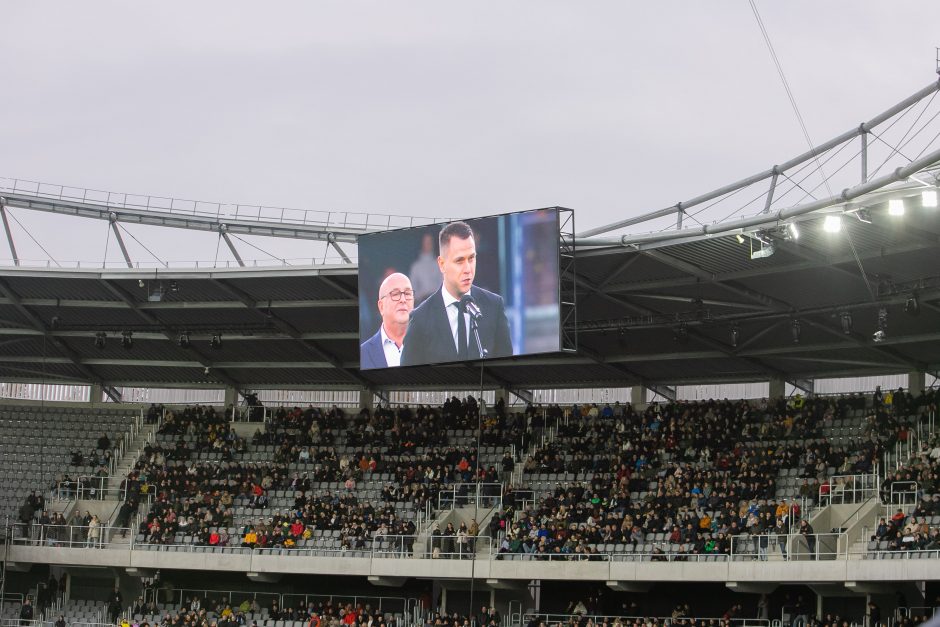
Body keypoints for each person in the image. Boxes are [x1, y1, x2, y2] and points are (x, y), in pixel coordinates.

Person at [400, 221, 512, 366]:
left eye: (472, 258)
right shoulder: (420, 319)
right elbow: (408, 381)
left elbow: (507, 369)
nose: (468, 269)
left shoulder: (494, 306)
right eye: (459, 261)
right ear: (441, 264)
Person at [360, 273, 414, 369]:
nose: (403, 299)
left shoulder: (432, 346)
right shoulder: (363, 353)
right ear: (381, 306)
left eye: (407, 293)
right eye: (395, 294)